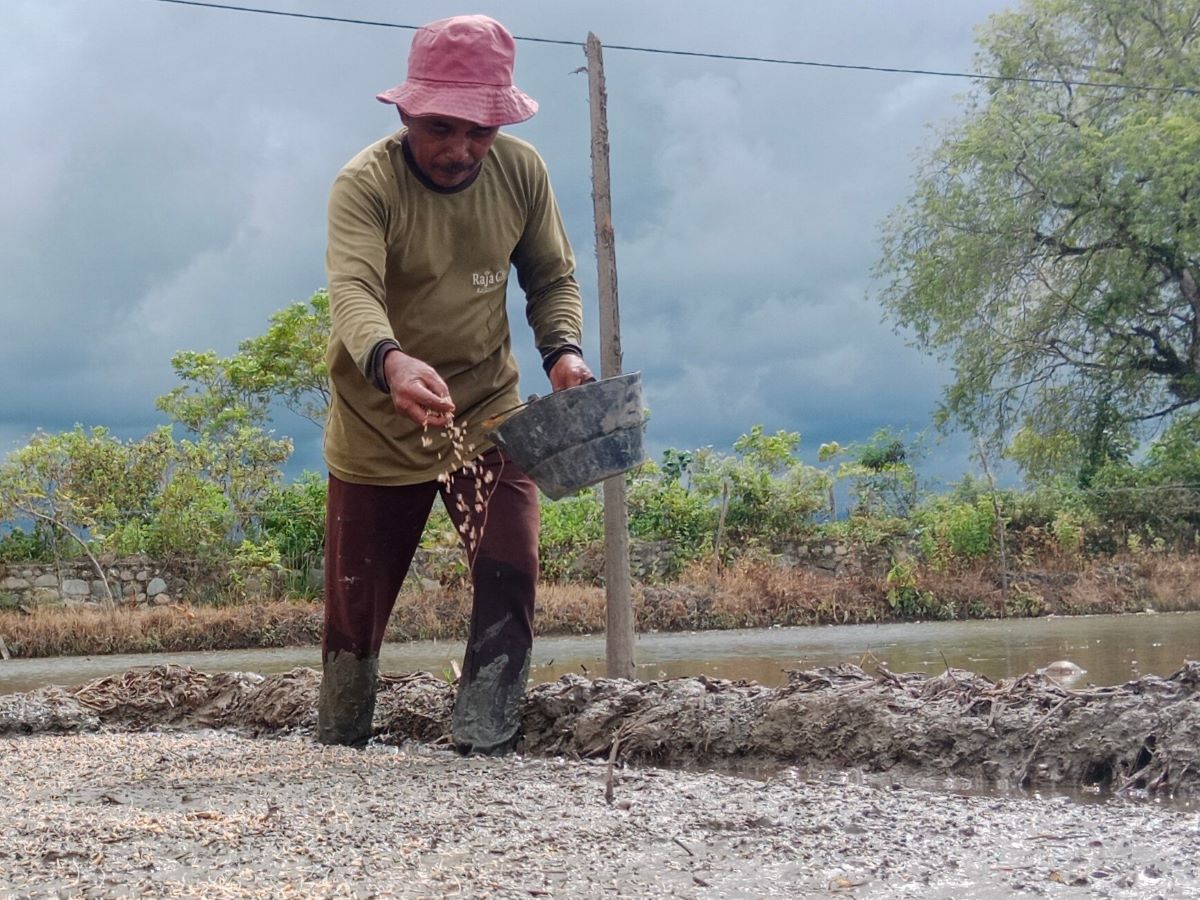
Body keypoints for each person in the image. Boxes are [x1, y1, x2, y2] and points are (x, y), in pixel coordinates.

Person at [318, 14, 594, 754]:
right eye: (441, 127)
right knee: (355, 611)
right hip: (379, 418)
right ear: (407, 111)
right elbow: (352, 292)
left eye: (480, 132)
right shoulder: (366, 185)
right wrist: (392, 362)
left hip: (485, 412)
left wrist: (563, 353)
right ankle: (342, 742)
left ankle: (485, 738)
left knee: (512, 566)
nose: (460, 149)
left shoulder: (521, 172)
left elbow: (551, 278)